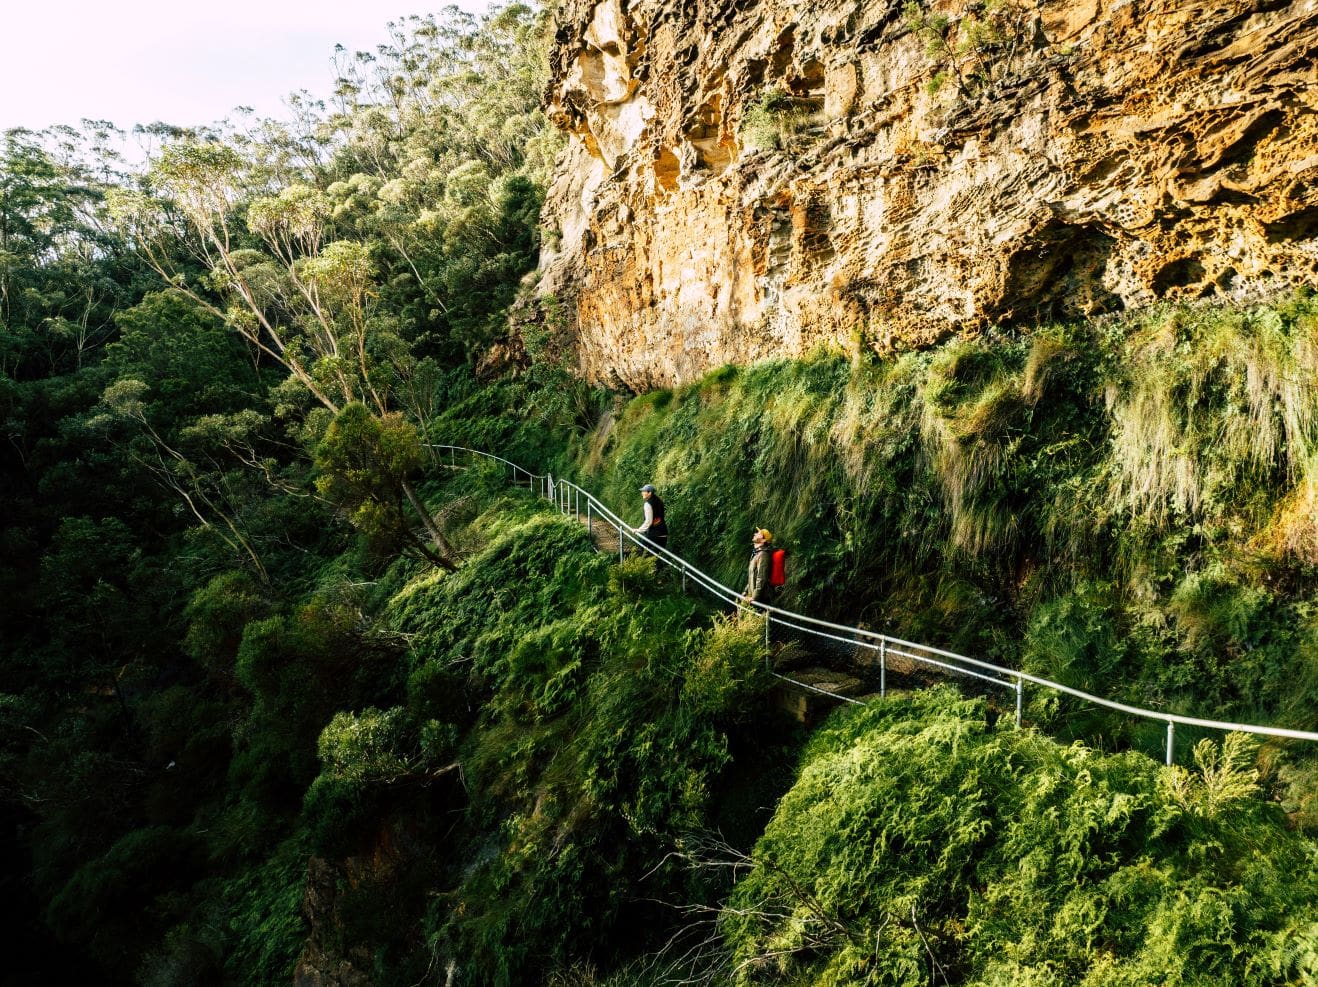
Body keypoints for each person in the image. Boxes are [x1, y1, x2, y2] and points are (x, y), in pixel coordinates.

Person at [634, 483, 668, 555]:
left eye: (644, 491)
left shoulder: (648, 504)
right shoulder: (659, 501)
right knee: (657, 557)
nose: (642, 493)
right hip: (663, 534)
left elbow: (648, 522)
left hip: (654, 535)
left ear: (649, 493)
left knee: (641, 550)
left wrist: (638, 530)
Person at [743, 528, 774, 605]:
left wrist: (754, 597)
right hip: (752, 597)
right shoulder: (756, 554)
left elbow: (762, 578)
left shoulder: (763, 555)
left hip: (760, 600)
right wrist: (745, 591)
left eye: (759, 534)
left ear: (763, 540)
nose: (755, 534)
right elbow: (752, 576)